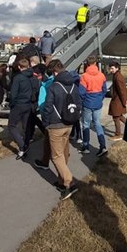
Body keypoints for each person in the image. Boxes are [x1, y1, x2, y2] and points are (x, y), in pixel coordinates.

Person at [42, 64, 82, 200]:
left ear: (55, 73)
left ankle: (69, 181)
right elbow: (79, 104)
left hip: (55, 124)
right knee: (63, 152)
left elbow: (48, 106)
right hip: (69, 123)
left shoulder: (54, 87)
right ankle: (61, 180)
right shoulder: (74, 86)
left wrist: (46, 123)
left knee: (56, 156)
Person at [8, 58, 39, 160]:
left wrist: (12, 104)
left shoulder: (18, 78)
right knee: (26, 127)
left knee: (12, 126)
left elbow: (13, 94)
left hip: (19, 104)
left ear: (19, 67)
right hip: (29, 104)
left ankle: (22, 146)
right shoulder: (34, 77)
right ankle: (26, 145)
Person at [78, 55, 108, 156]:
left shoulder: (84, 76)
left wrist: (84, 100)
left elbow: (81, 92)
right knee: (97, 123)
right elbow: (104, 90)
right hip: (98, 102)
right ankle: (102, 145)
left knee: (86, 124)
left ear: (87, 63)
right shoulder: (101, 75)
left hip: (87, 102)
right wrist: (100, 98)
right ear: (95, 63)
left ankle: (86, 146)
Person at [108, 61, 127, 141]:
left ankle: (118, 134)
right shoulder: (116, 75)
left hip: (118, 100)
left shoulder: (118, 77)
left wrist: (124, 101)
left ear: (117, 68)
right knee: (119, 116)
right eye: (110, 68)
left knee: (116, 117)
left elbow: (122, 90)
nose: (111, 70)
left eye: (112, 68)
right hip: (118, 100)